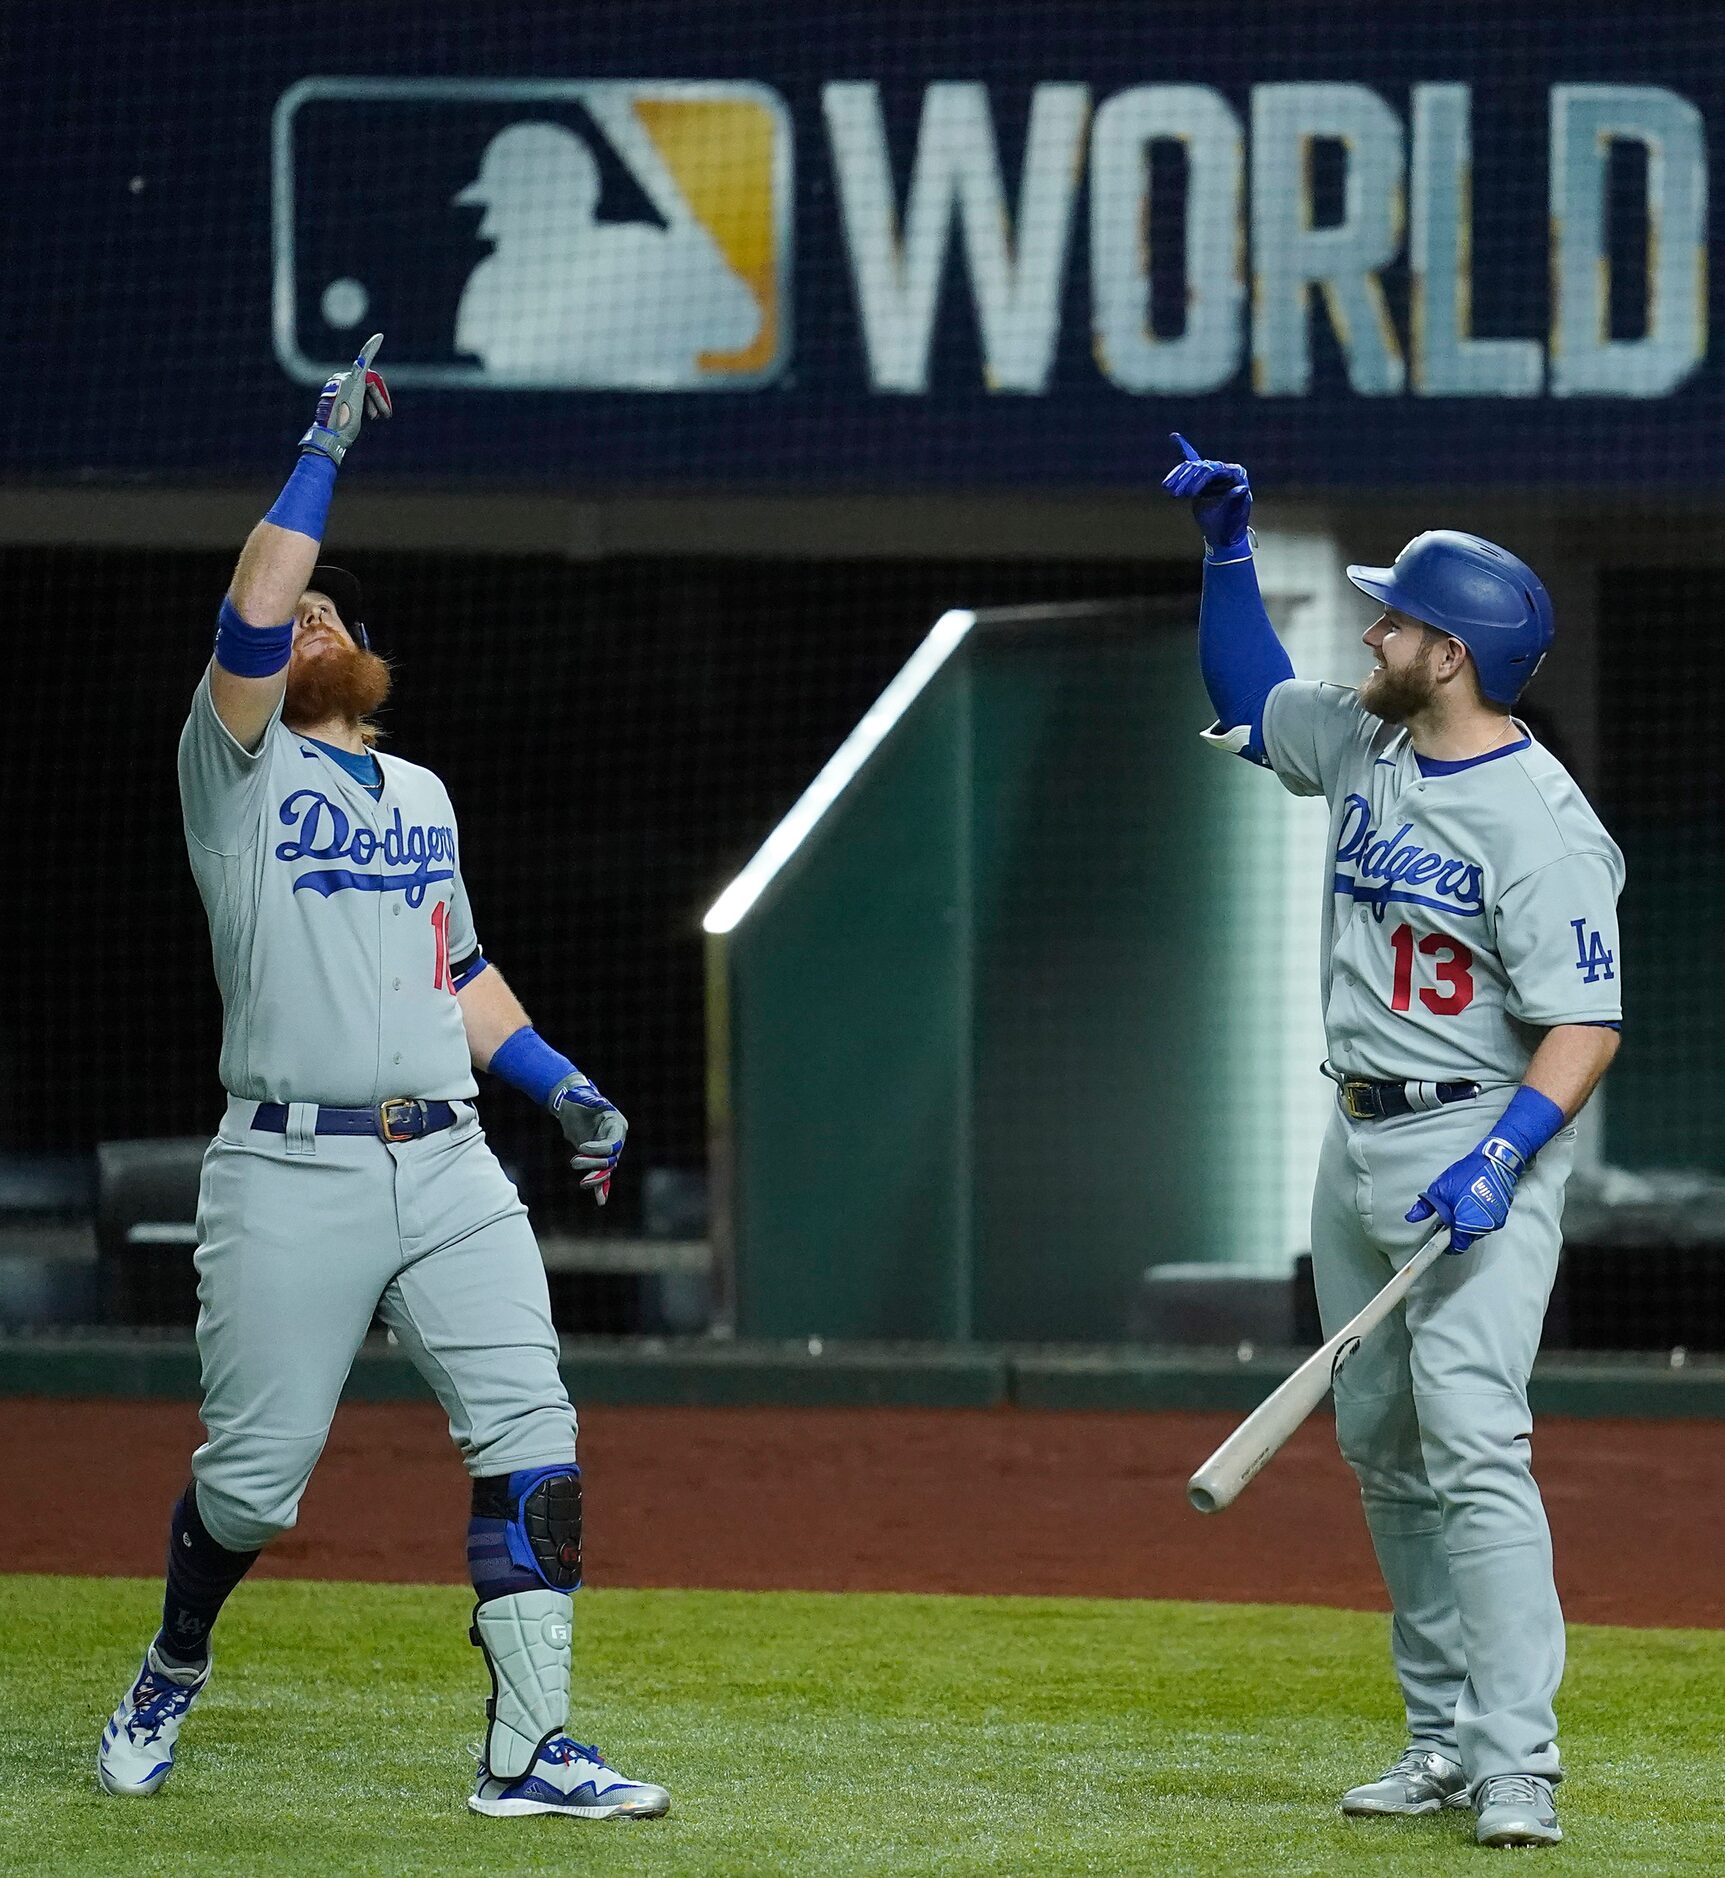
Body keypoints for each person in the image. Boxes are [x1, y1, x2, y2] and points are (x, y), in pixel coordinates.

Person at [96, 337, 669, 1823]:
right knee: (254, 1489)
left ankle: (528, 1752)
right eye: (301, 615)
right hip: (290, 1166)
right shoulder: (232, 776)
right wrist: (323, 449)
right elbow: (253, 607)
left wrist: (561, 1082)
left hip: (451, 1159)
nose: (315, 619)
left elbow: (460, 970)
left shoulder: (419, 794)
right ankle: (171, 1657)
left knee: (533, 1434)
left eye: (335, 608)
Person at [1164, 436, 1624, 1851]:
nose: (1370, 629)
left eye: (1395, 617)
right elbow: (1248, 701)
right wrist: (1226, 556)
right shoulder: (1366, 735)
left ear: (1452, 651)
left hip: (1476, 1153)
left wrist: (1506, 1155)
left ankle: (1515, 1761)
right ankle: (1437, 1735)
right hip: (1353, 1136)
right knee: (1381, 1443)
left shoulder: (1545, 825)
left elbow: (1584, 1024)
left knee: (1473, 1442)